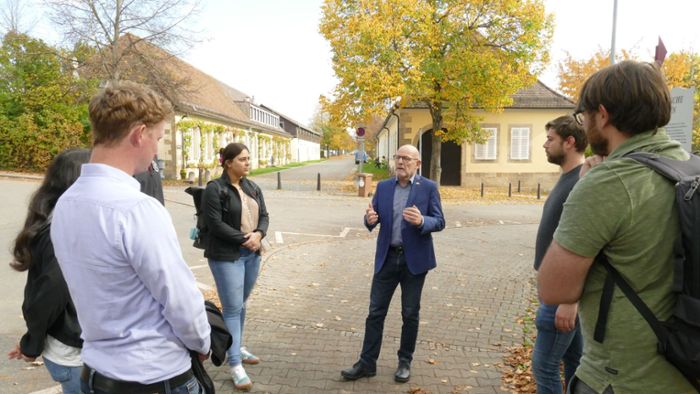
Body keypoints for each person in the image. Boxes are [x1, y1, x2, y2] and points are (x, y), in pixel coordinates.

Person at [538, 60, 695, 393]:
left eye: (585, 116)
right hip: (685, 369)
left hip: (620, 378)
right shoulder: (690, 167)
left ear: (603, 115)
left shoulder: (609, 183)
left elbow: (553, 289)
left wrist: (584, 187)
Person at [51, 81, 211, 394]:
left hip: (96, 373)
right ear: (139, 134)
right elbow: (179, 299)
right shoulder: (137, 209)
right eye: (158, 138)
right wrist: (202, 341)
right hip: (153, 375)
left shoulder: (65, 203)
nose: (156, 150)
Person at [341, 144, 445, 383]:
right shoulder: (385, 187)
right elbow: (372, 216)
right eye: (398, 157)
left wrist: (422, 221)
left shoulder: (428, 188)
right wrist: (369, 220)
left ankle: (404, 361)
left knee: (410, 313)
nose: (400, 162)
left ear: (417, 164)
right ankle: (367, 363)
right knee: (375, 312)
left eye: (406, 158)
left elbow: (439, 221)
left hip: (414, 262)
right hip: (387, 258)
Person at [7, 148, 90, 394]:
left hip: (73, 351)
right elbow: (50, 293)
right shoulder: (64, 230)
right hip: (74, 355)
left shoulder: (61, 220)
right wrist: (31, 344)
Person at [203, 143, 269, 391]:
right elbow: (215, 224)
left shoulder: (252, 186)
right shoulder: (215, 189)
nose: (248, 163)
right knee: (231, 308)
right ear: (228, 162)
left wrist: (259, 234)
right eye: (242, 159)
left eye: (249, 158)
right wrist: (246, 239)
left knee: (241, 304)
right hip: (226, 255)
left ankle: (237, 345)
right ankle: (234, 364)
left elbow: (265, 215)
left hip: (252, 254)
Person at [532, 116, 586, 393]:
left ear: (569, 142)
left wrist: (571, 301)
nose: (544, 144)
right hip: (558, 292)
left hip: (563, 297)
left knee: (543, 366)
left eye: (550, 139)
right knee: (576, 362)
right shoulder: (570, 177)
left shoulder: (582, 181)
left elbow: (587, 244)